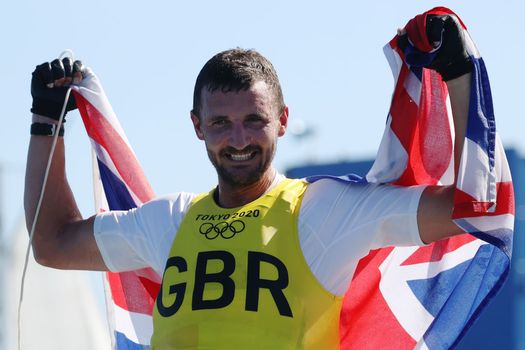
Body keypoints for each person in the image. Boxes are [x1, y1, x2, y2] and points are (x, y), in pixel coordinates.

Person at [24, 13, 474, 349]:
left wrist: (459, 73)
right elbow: (53, 243)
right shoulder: (169, 220)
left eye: (253, 120)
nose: (238, 140)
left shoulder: (323, 210)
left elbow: (471, 206)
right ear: (197, 125)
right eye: (220, 122)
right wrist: (47, 122)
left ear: (281, 121)